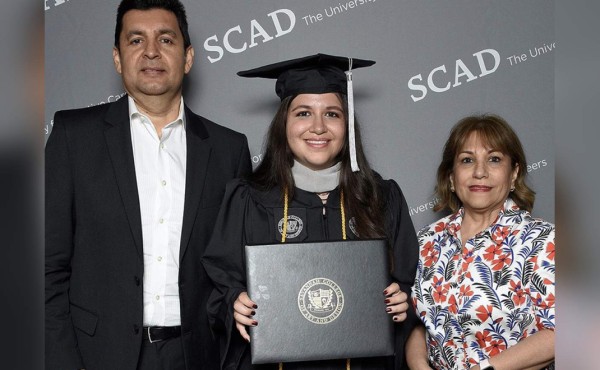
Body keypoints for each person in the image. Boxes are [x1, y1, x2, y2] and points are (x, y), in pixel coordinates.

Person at [45, 0, 252, 369]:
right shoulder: (72, 137)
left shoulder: (229, 150)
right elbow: (46, 268)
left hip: (197, 356)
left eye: (166, 40)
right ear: (117, 57)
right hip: (97, 356)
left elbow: (239, 269)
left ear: (188, 58)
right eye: (136, 40)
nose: (151, 52)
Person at [201, 53, 419, 370]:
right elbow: (218, 288)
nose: (318, 127)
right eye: (303, 113)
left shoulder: (382, 198)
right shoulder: (248, 199)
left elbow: (412, 286)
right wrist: (234, 303)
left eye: (332, 114)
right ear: (284, 125)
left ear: (347, 124)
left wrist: (404, 302)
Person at [406, 115, 555, 370]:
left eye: (494, 159)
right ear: (452, 177)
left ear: (514, 173)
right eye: (467, 160)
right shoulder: (426, 241)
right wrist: (418, 364)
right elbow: (420, 324)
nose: (479, 172)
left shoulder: (541, 239)